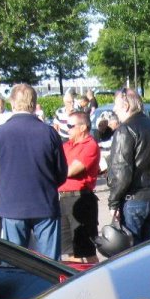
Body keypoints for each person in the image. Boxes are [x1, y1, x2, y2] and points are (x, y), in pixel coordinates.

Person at [0, 83, 67, 258]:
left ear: (13, 103)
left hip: (12, 206)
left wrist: (9, 185)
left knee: (14, 263)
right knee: (50, 264)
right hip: (45, 204)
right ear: (34, 103)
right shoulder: (49, 133)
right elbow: (61, 173)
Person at [106, 89, 150, 245]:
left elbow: (122, 172)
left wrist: (113, 202)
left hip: (133, 200)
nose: (114, 110)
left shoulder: (125, 130)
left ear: (126, 105)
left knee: (132, 256)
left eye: (116, 105)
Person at [58, 109, 100, 263]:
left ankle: (98, 282)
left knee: (86, 249)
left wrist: (58, 170)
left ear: (82, 127)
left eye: (70, 125)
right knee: (69, 250)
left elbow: (72, 170)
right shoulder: (66, 146)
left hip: (81, 198)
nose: (66, 128)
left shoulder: (90, 145)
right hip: (63, 199)